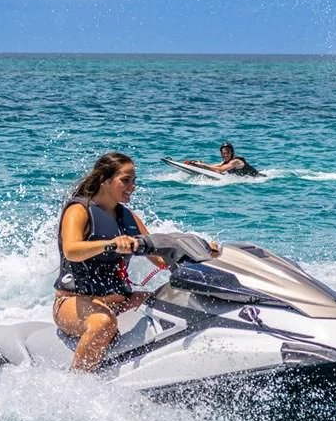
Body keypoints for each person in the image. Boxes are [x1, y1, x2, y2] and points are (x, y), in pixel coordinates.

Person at [53, 152, 217, 371]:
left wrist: (202, 253)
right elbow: (72, 250)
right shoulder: (79, 210)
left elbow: (159, 260)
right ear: (105, 180)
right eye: (125, 180)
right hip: (73, 301)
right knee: (103, 323)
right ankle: (76, 384)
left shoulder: (128, 218)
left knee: (170, 304)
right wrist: (110, 244)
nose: (132, 186)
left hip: (118, 300)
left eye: (134, 181)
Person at [184, 142, 262, 177]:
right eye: (223, 153)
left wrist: (203, 164)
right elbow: (212, 167)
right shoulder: (225, 162)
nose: (225, 155)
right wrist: (196, 164)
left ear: (232, 152)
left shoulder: (236, 161)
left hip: (258, 178)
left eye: (227, 153)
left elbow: (220, 170)